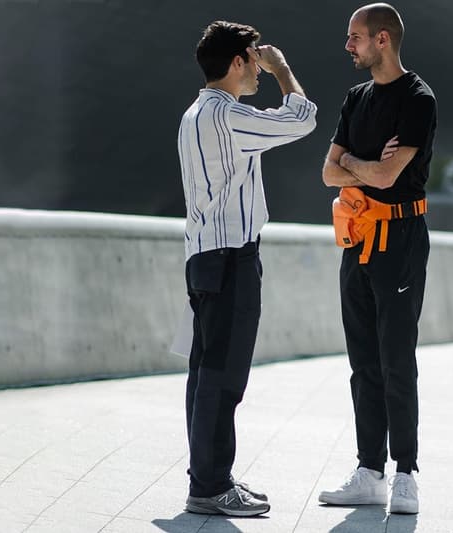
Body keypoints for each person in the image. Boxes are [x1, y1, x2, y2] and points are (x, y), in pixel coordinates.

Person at [177, 20, 316, 516]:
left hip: (203, 256)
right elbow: (302, 120)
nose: (258, 66)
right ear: (237, 62)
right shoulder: (228, 118)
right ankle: (211, 486)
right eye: (254, 58)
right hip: (232, 257)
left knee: (205, 373)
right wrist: (284, 71)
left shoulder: (194, 114)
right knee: (223, 375)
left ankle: (208, 478)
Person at [317, 3, 436, 515]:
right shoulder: (355, 97)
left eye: (356, 37)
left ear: (382, 39)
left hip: (401, 239)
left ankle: (405, 474)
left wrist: (353, 165)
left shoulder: (418, 99)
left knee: (396, 359)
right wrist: (365, 166)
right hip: (356, 238)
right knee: (362, 360)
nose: (349, 45)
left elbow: (389, 180)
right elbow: (327, 173)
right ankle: (369, 471)